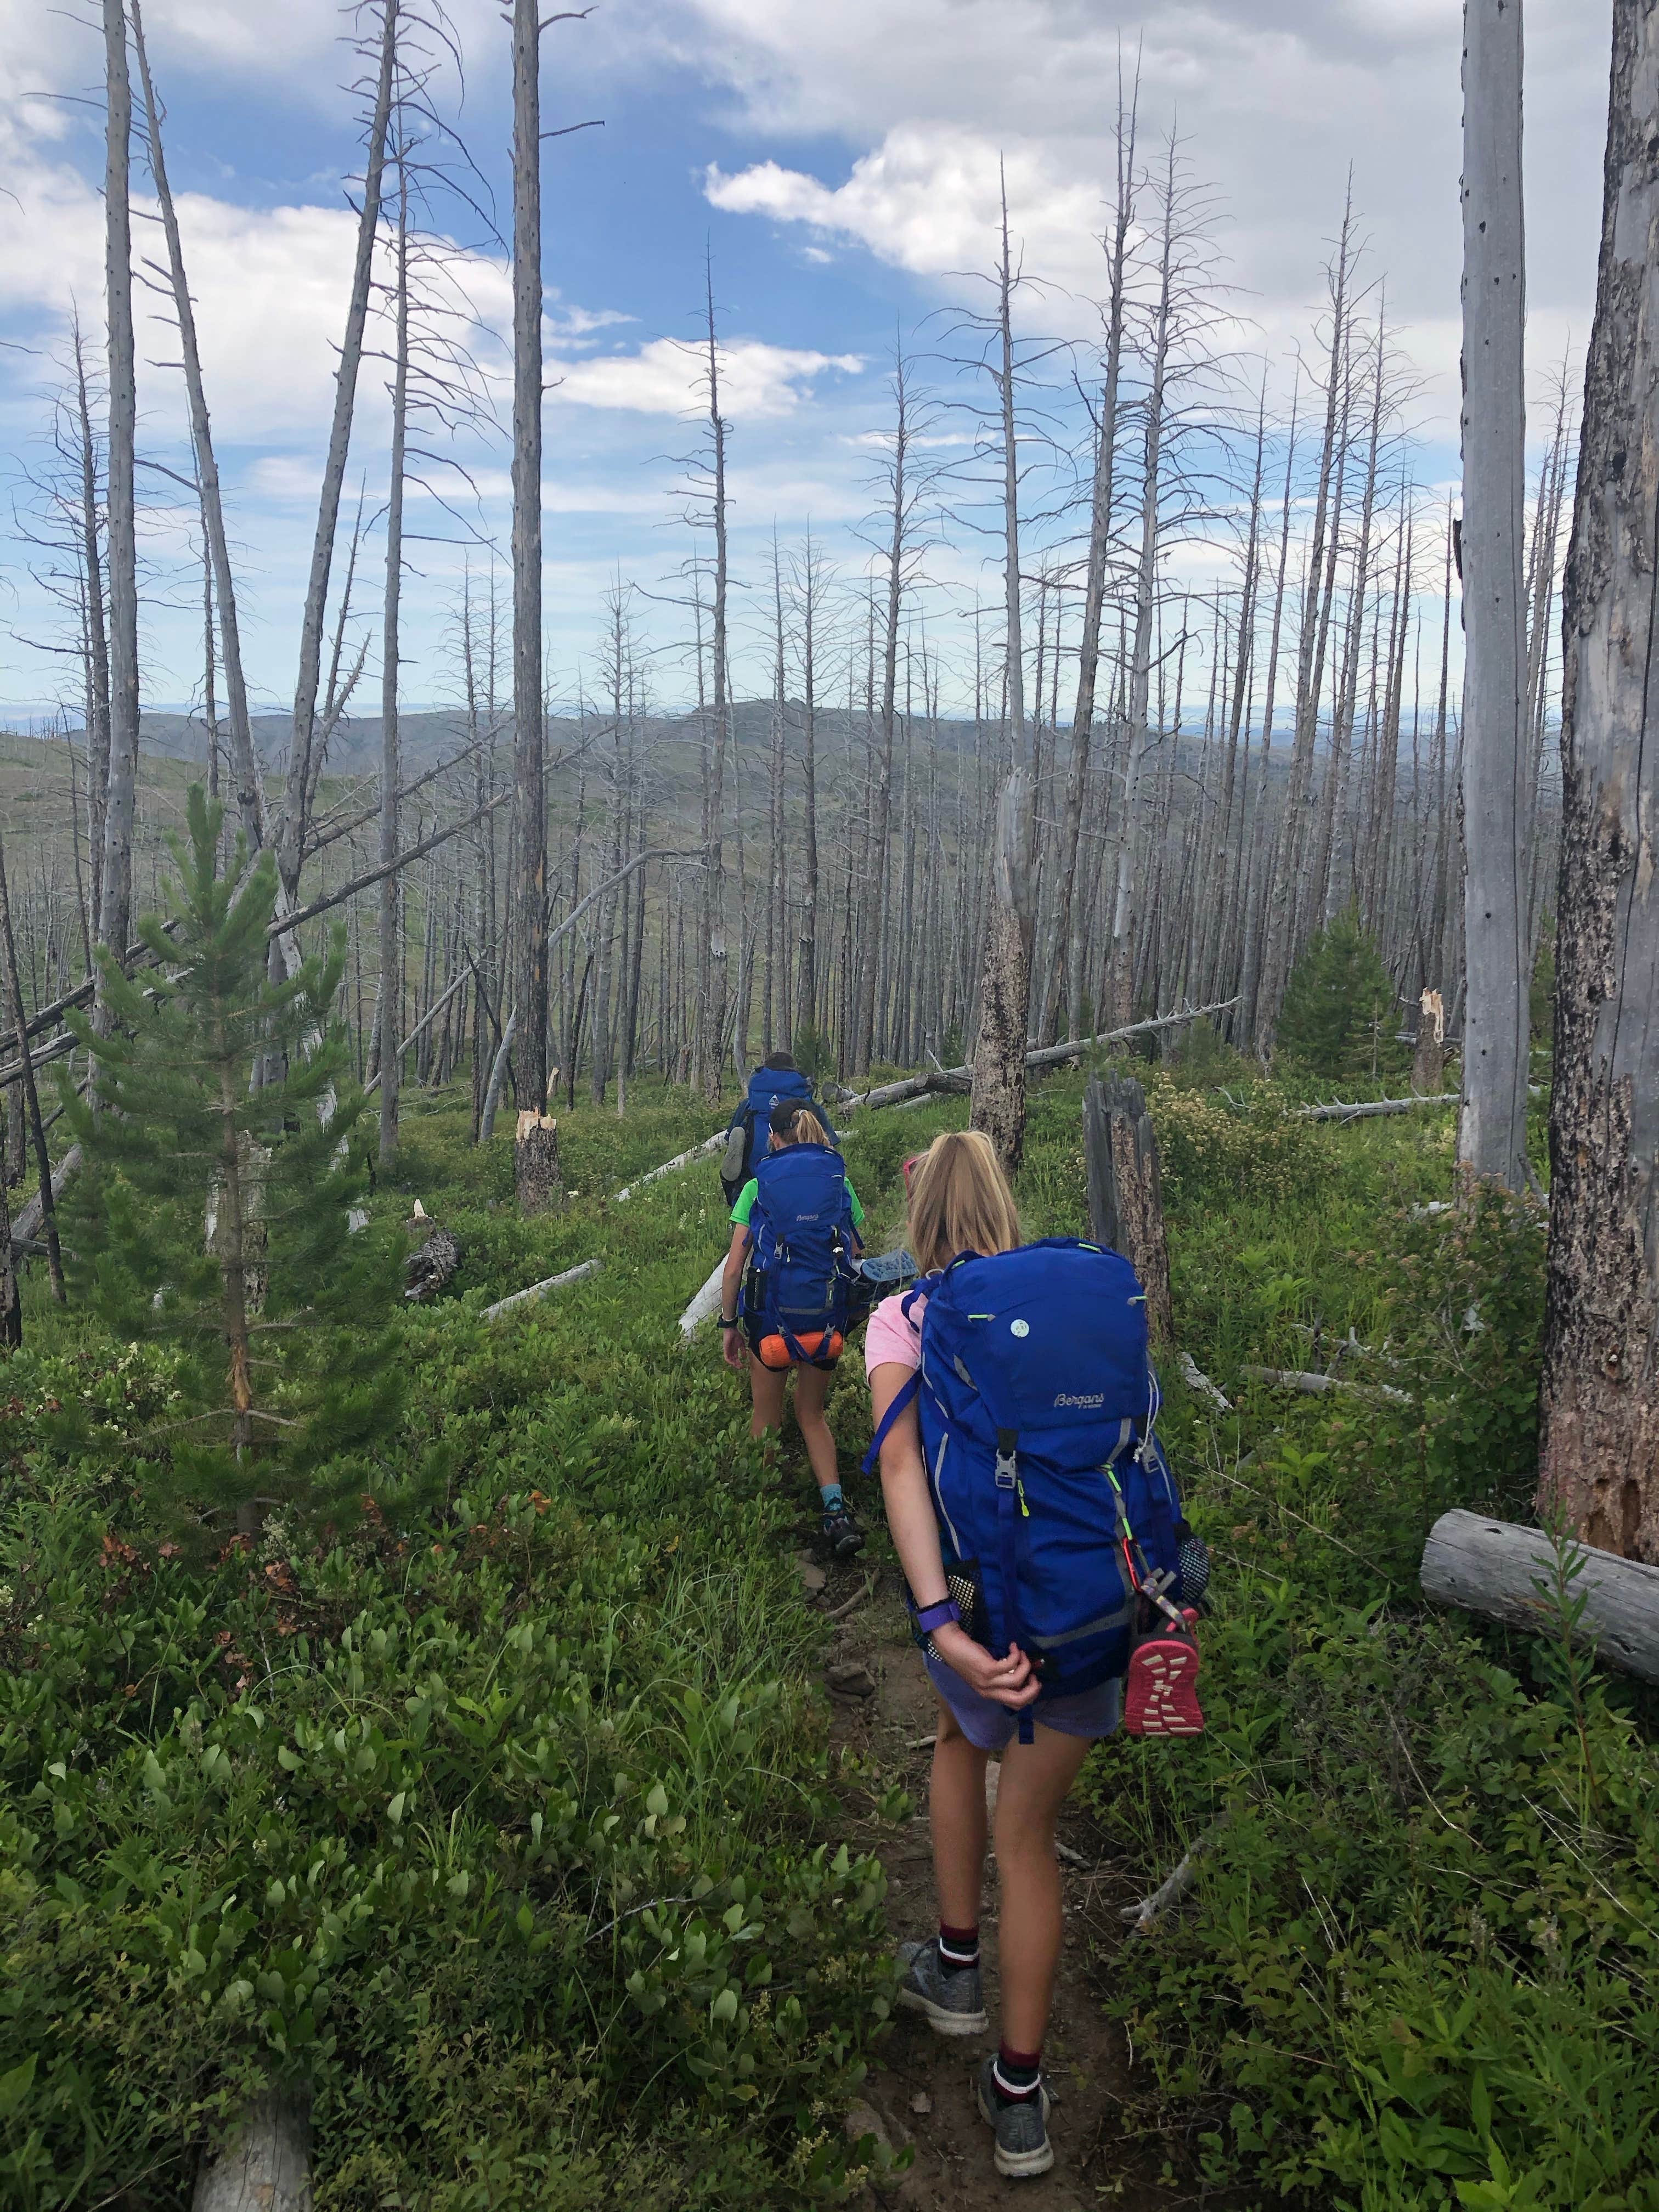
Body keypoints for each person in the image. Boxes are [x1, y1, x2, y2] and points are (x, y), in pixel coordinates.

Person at [865, 1130, 1121, 2182]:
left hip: (977, 1610)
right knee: (1032, 1840)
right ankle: (1020, 2099)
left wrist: (944, 1630)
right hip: (1086, 1618)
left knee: (954, 1742)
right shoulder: (1079, 1311)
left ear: (920, 1220)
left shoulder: (907, 1317)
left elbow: (895, 1465)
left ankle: (953, 1969)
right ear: (1004, 1208)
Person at [720, 1103, 866, 1558]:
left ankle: (761, 1517)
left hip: (769, 1327)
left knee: (766, 1419)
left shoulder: (757, 1185)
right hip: (825, 1324)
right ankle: (836, 1511)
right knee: (813, 1415)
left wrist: (729, 1324)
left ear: (775, 1140)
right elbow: (858, 1253)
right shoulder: (840, 1184)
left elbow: (734, 1268)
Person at [720, 1050, 838, 1208]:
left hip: (756, 1183)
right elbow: (831, 1146)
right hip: (805, 1187)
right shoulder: (810, 1109)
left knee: (747, 1188)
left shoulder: (748, 1105)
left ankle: (739, 1193)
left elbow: (729, 1142)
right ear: (793, 1070)